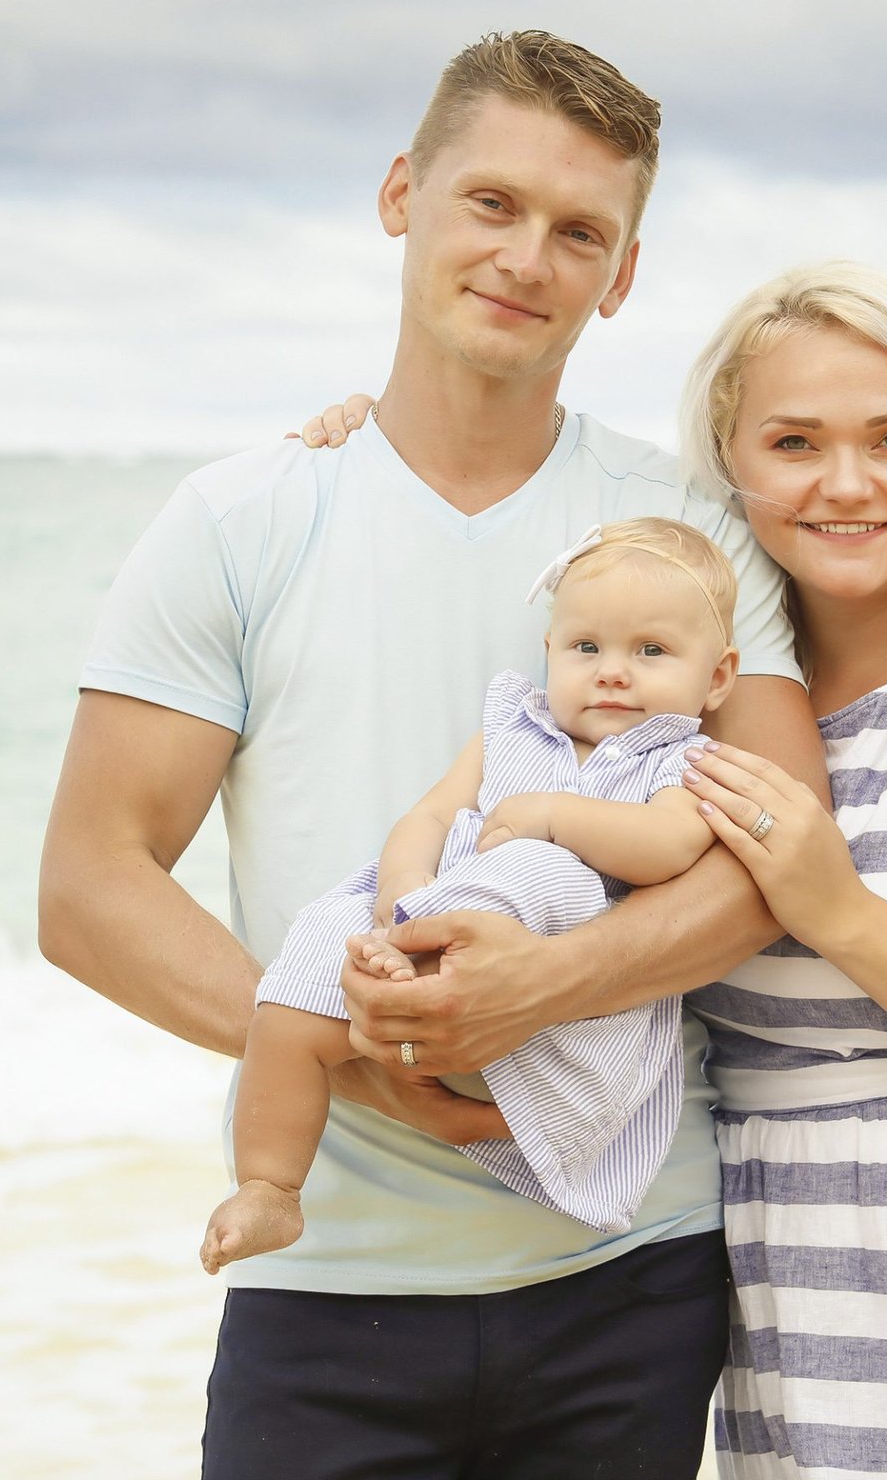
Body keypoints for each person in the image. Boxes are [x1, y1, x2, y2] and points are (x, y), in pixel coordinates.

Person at [309, 260, 887, 1477]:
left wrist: (840, 912)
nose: (846, 483)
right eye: (795, 441)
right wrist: (354, 443)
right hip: (795, 1309)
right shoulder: (672, 705)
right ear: (730, 459)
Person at [40, 30, 827, 1480]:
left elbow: (780, 865)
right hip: (325, 1282)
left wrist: (540, 988)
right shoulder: (244, 519)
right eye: (492, 204)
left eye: (580, 230)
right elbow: (92, 885)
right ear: (403, 193)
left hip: (631, 1269)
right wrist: (364, 1053)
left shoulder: (688, 537)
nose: (529, 257)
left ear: (624, 273)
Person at [201, 517, 742, 1271]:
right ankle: (269, 1183)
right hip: (422, 927)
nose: (613, 671)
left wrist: (554, 819)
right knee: (314, 947)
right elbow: (429, 814)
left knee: (537, 865)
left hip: (550, 989)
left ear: (717, 677)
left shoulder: (684, 762)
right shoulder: (511, 730)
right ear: (549, 652)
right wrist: (400, 889)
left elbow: (670, 847)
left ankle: (423, 961)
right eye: (587, 647)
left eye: (651, 651)